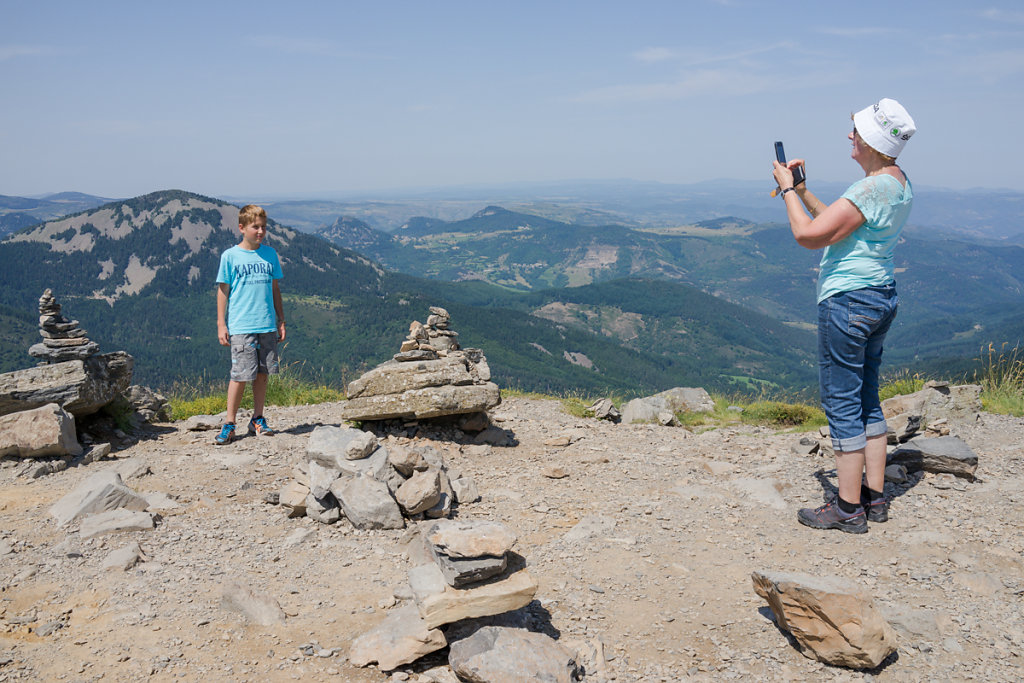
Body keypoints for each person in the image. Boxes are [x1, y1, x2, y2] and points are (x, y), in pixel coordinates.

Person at [772, 98, 916, 533]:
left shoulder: (870, 188)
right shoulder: (895, 182)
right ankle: (873, 497)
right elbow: (835, 223)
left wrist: (785, 190)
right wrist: (801, 188)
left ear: (870, 140)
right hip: (879, 297)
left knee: (842, 402)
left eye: (855, 130)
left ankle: (847, 508)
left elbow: (808, 235)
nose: (849, 136)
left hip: (849, 303)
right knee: (866, 396)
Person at [214, 204, 286, 445]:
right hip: (241, 325)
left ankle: (258, 418)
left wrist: (281, 319)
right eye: (255, 227)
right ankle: (229, 422)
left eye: (264, 227)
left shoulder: (270, 254)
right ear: (242, 228)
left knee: (263, 373)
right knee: (240, 375)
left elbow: (275, 289)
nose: (260, 231)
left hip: (266, 324)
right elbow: (223, 290)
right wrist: (221, 324)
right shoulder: (230, 256)